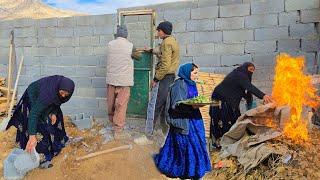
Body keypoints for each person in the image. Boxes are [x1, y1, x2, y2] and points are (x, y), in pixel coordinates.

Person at [154, 63, 212, 180]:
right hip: (184, 120)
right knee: (186, 145)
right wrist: (191, 106)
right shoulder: (179, 85)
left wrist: (196, 105)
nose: (197, 76)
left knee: (198, 143)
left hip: (195, 119)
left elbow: (194, 100)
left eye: (197, 73)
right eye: (195, 73)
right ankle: (184, 170)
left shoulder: (192, 84)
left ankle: (195, 169)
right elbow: (176, 105)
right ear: (187, 72)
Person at [5, 75, 75, 168]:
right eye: (62, 93)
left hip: (47, 98)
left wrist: (53, 113)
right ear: (59, 88)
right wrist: (32, 135)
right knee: (40, 126)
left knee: (57, 117)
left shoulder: (62, 91)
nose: (63, 95)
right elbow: (33, 114)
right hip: (33, 97)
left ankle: (59, 141)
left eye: (66, 94)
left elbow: (58, 101)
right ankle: (42, 158)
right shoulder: (47, 95)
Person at [209, 62, 273, 148]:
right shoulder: (239, 74)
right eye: (250, 70)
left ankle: (231, 140)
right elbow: (249, 87)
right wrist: (263, 95)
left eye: (253, 71)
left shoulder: (242, 76)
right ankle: (221, 142)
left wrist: (249, 102)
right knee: (224, 119)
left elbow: (244, 90)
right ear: (245, 68)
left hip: (229, 99)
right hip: (221, 98)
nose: (251, 72)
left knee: (235, 118)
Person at [106, 25, 141, 140]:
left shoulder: (110, 44)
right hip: (124, 82)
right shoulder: (130, 46)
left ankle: (112, 122)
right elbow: (139, 57)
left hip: (111, 81)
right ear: (126, 35)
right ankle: (118, 131)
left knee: (111, 104)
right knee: (121, 106)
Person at [151, 21, 180, 135]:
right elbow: (166, 56)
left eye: (158, 31)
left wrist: (155, 79)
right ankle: (164, 131)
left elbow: (165, 65)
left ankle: (149, 132)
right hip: (170, 76)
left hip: (165, 77)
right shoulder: (172, 40)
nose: (157, 33)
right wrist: (152, 50)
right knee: (165, 104)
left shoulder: (166, 43)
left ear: (162, 31)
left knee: (157, 104)